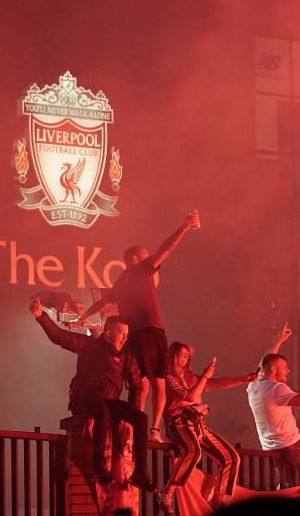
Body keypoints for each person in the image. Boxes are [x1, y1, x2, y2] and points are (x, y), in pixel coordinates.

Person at [80, 209, 202, 442]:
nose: (152, 261)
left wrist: (84, 317)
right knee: (158, 383)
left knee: (140, 384)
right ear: (136, 258)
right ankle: (154, 430)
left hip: (132, 336)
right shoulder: (142, 269)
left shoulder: (120, 280)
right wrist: (184, 227)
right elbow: (166, 249)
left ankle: (131, 429)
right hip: (150, 331)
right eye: (147, 256)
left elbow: (101, 302)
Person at [29, 298, 155, 491]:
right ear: (108, 332)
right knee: (102, 412)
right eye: (122, 334)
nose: (125, 338)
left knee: (141, 418)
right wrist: (40, 316)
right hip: (84, 397)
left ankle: (140, 472)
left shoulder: (127, 356)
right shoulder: (89, 345)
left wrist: (129, 417)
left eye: (127, 335)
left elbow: (137, 386)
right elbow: (59, 336)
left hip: (110, 400)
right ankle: (99, 467)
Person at [246, 323, 300, 511]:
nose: (288, 371)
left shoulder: (254, 385)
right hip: (292, 444)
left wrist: (279, 341)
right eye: (284, 367)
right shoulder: (276, 388)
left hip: (270, 446)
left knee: (289, 486)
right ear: (272, 370)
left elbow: (264, 361)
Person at [158, 343, 257, 511]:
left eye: (188, 356)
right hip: (179, 425)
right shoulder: (168, 378)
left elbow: (215, 383)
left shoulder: (190, 377)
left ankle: (220, 501)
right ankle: (167, 493)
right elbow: (190, 396)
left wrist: (243, 379)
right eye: (183, 355)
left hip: (198, 425)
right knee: (192, 451)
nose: (187, 359)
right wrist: (204, 377)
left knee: (231, 458)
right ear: (173, 357)